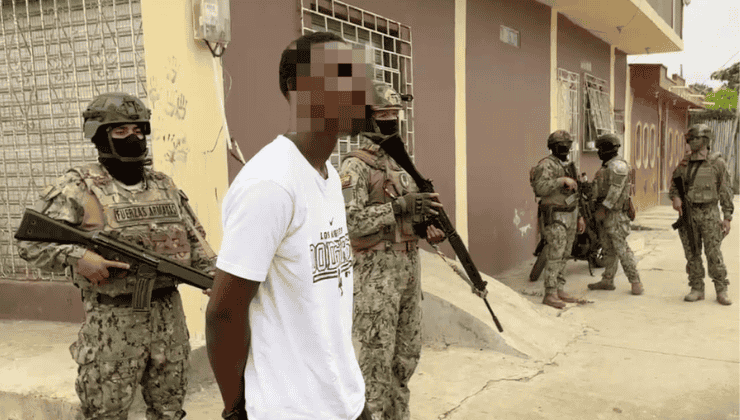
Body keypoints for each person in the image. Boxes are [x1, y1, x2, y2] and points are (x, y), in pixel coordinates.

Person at [205, 31, 376, 420]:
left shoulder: (328, 176)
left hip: (344, 398)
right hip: (291, 409)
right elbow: (223, 313)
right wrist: (235, 408)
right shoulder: (270, 184)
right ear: (298, 90)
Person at [17, 92, 217, 420]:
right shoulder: (78, 187)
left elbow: (196, 244)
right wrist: (77, 256)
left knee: (170, 412)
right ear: (99, 136)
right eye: (121, 131)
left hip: (169, 319)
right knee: (105, 414)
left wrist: (217, 279)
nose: (132, 138)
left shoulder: (164, 185)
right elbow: (30, 243)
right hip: (112, 323)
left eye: (138, 130)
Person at [338, 82, 445, 420]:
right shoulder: (354, 166)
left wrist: (426, 227)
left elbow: (411, 214)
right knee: (375, 363)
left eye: (395, 114)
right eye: (384, 115)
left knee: (406, 358)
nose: (392, 121)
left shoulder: (402, 164)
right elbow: (349, 222)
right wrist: (398, 207)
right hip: (376, 280)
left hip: (408, 273)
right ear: (367, 118)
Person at [669, 124, 733, 305]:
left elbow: (725, 190)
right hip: (689, 213)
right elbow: (674, 184)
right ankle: (697, 288)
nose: (691, 142)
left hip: (710, 213)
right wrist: (675, 197)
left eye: (695, 138)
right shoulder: (685, 163)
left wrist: (727, 217)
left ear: (705, 140)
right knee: (692, 253)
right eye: (690, 139)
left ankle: (721, 289)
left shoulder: (717, 163)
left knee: (714, 253)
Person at [529, 130, 586, 309]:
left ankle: (559, 288)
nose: (565, 149)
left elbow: (576, 193)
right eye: (561, 145)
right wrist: (560, 181)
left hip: (571, 213)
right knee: (554, 254)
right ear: (553, 147)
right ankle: (550, 293)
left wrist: (580, 216)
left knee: (565, 254)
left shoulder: (569, 165)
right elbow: (539, 188)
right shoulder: (546, 165)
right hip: (555, 215)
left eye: (568, 145)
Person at [586, 133, 643, 295]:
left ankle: (635, 281)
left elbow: (615, 191)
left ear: (609, 149)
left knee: (622, 249)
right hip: (605, 214)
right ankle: (607, 280)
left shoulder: (618, 166)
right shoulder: (607, 166)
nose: (598, 152)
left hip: (615, 215)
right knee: (608, 249)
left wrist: (603, 210)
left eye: (600, 149)